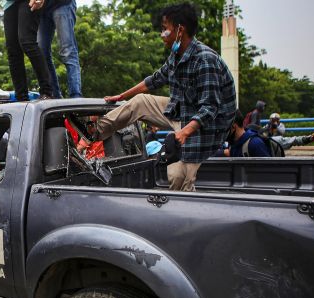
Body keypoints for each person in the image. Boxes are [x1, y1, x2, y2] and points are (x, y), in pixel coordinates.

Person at [96, 2, 236, 191]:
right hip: (183, 109)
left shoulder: (205, 60)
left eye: (164, 30)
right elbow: (154, 80)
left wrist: (183, 134)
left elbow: (209, 108)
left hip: (207, 127)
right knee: (140, 102)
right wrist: (122, 95)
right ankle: (93, 132)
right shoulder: (176, 55)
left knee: (181, 179)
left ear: (180, 30)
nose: (162, 35)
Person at [0, 0, 53, 101]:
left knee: (27, 42)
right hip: (10, 3)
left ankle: (46, 92)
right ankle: (21, 97)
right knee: (13, 50)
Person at [38, 0, 82, 98]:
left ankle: (76, 95)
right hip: (42, 10)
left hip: (62, 4)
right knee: (41, 53)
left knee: (68, 51)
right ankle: (54, 95)